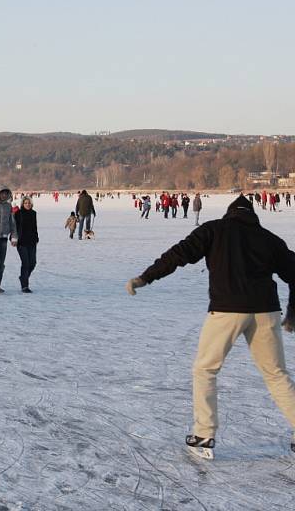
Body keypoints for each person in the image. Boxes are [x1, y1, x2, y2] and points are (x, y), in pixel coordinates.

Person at [126, 195, 295, 459]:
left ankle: (204, 434)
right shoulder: (269, 238)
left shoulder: (214, 229)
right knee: (276, 374)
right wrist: (292, 312)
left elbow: (178, 254)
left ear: (230, 214)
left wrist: (146, 277)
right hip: (266, 311)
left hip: (227, 311)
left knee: (205, 370)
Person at [14, 197, 38, 293]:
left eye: (29, 203)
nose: (27, 204)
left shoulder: (33, 213)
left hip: (32, 241)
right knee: (26, 263)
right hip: (21, 242)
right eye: (25, 203)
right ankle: (25, 285)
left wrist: (36, 237)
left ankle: (23, 278)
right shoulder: (18, 214)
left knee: (32, 263)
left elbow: (34, 227)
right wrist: (14, 238)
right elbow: (14, 227)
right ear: (22, 204)